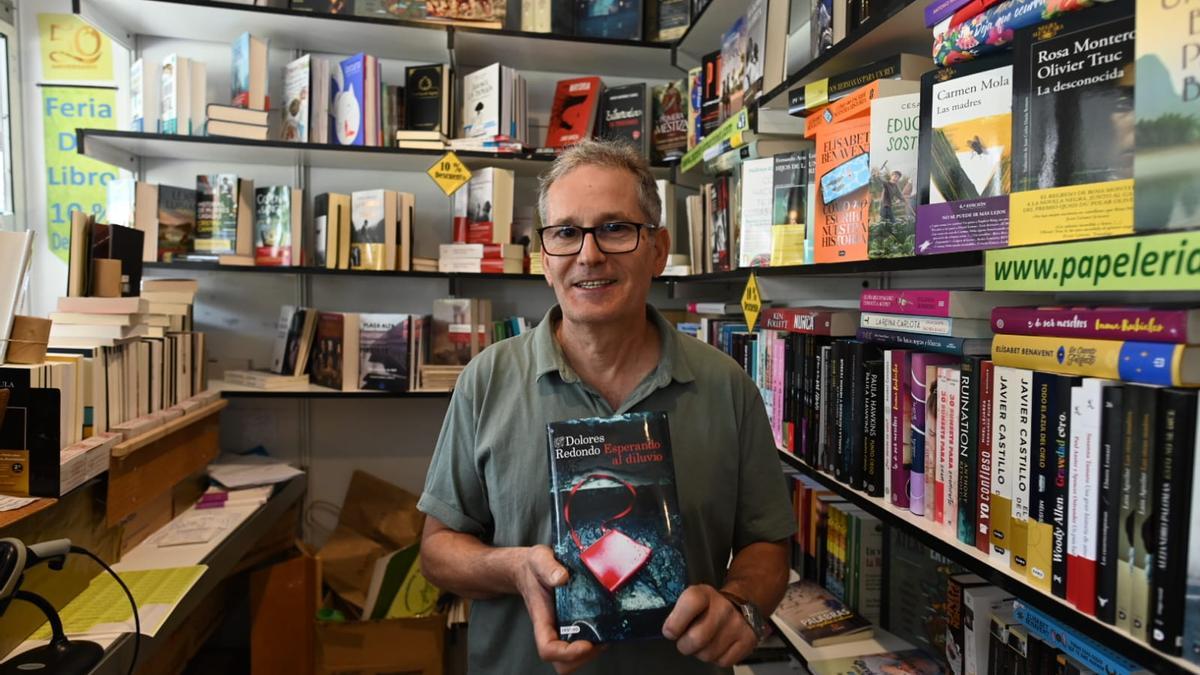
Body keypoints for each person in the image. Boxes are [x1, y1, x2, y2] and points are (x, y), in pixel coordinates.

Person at [418, 138, 795, 674]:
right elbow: (437, 550)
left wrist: (740, 605)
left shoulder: (725, 384)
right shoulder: (487, 378)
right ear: (543, 257)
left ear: (658, 249)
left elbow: (766, 545)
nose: (588, 254)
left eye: (615, 228)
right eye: (566, 233)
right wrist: (514, 567)